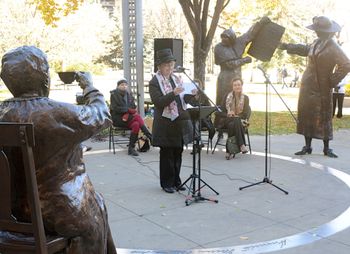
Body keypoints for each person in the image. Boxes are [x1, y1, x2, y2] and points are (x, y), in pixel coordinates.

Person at [0, 46, 117, 253]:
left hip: (9, 211)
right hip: (57, 213)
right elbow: (101, 114)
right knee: (94, 209)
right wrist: (89, 86)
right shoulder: (54, 113)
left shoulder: (3, 113)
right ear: (44, 77)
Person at [279, 16, 350, 158]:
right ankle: (307, 146)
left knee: (324, 115)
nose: (316, 32)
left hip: (323, 87)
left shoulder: (333, 47)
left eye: (319, 30)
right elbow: (304, 49)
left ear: (326, 31)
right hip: (308, 85)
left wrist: (332, 81)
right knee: (307, 114)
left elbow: (346, 64)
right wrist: (286, 46)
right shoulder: (316, 43)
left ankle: (326, 148)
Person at [149, 48, 196, 194]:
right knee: (167, 154)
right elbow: (158, 102)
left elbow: (183, 99)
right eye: (166, 65)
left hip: (179, 122)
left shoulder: (177, 79)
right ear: (160, 67)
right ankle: (167, 183)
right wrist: (173, 93)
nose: (170, 68)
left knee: (178, 152)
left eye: (171, 65)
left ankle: (177, 180)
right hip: (165, 123)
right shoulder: (154, 82)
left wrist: (191, 95)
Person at [214, 16, 271, 105]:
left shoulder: (238, 43)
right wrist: (245, 60)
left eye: (227, 37)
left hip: (237, 77)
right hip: (225, 78)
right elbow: (229, 64)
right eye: (223, 37)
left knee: (237, 100)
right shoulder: (219, 48)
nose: (224, 39)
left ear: (232, 39)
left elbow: (250, 34)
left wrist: (261, 23)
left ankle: (238, 117)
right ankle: (222, 118)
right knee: (224, 102)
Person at [110, 78, 152, 156]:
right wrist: (128, 110)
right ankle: (149, 135)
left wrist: (129, 110)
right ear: (118, 86)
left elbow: (134, 107)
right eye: (122, 85)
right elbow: (115, 108)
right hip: (118, 119)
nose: (124, 86)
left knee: (136, 124)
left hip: (129, 119)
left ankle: (131, 148)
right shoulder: (114, 95)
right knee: (137, 117)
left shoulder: (129, 94)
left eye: (126, 85)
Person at [215, 78, 250, 160]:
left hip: (239, 121)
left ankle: (228, 151)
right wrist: (228, 114)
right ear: (232, 87)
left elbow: (245, 113)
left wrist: (236, 116)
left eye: (239, 85)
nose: (237, 86)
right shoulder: (227, 96)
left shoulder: (246, 98)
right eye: (235, 85)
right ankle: (241, 144)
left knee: (233, 124)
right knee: (234, 121)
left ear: (242, 86)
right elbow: (219, 112)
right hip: (226, 120)